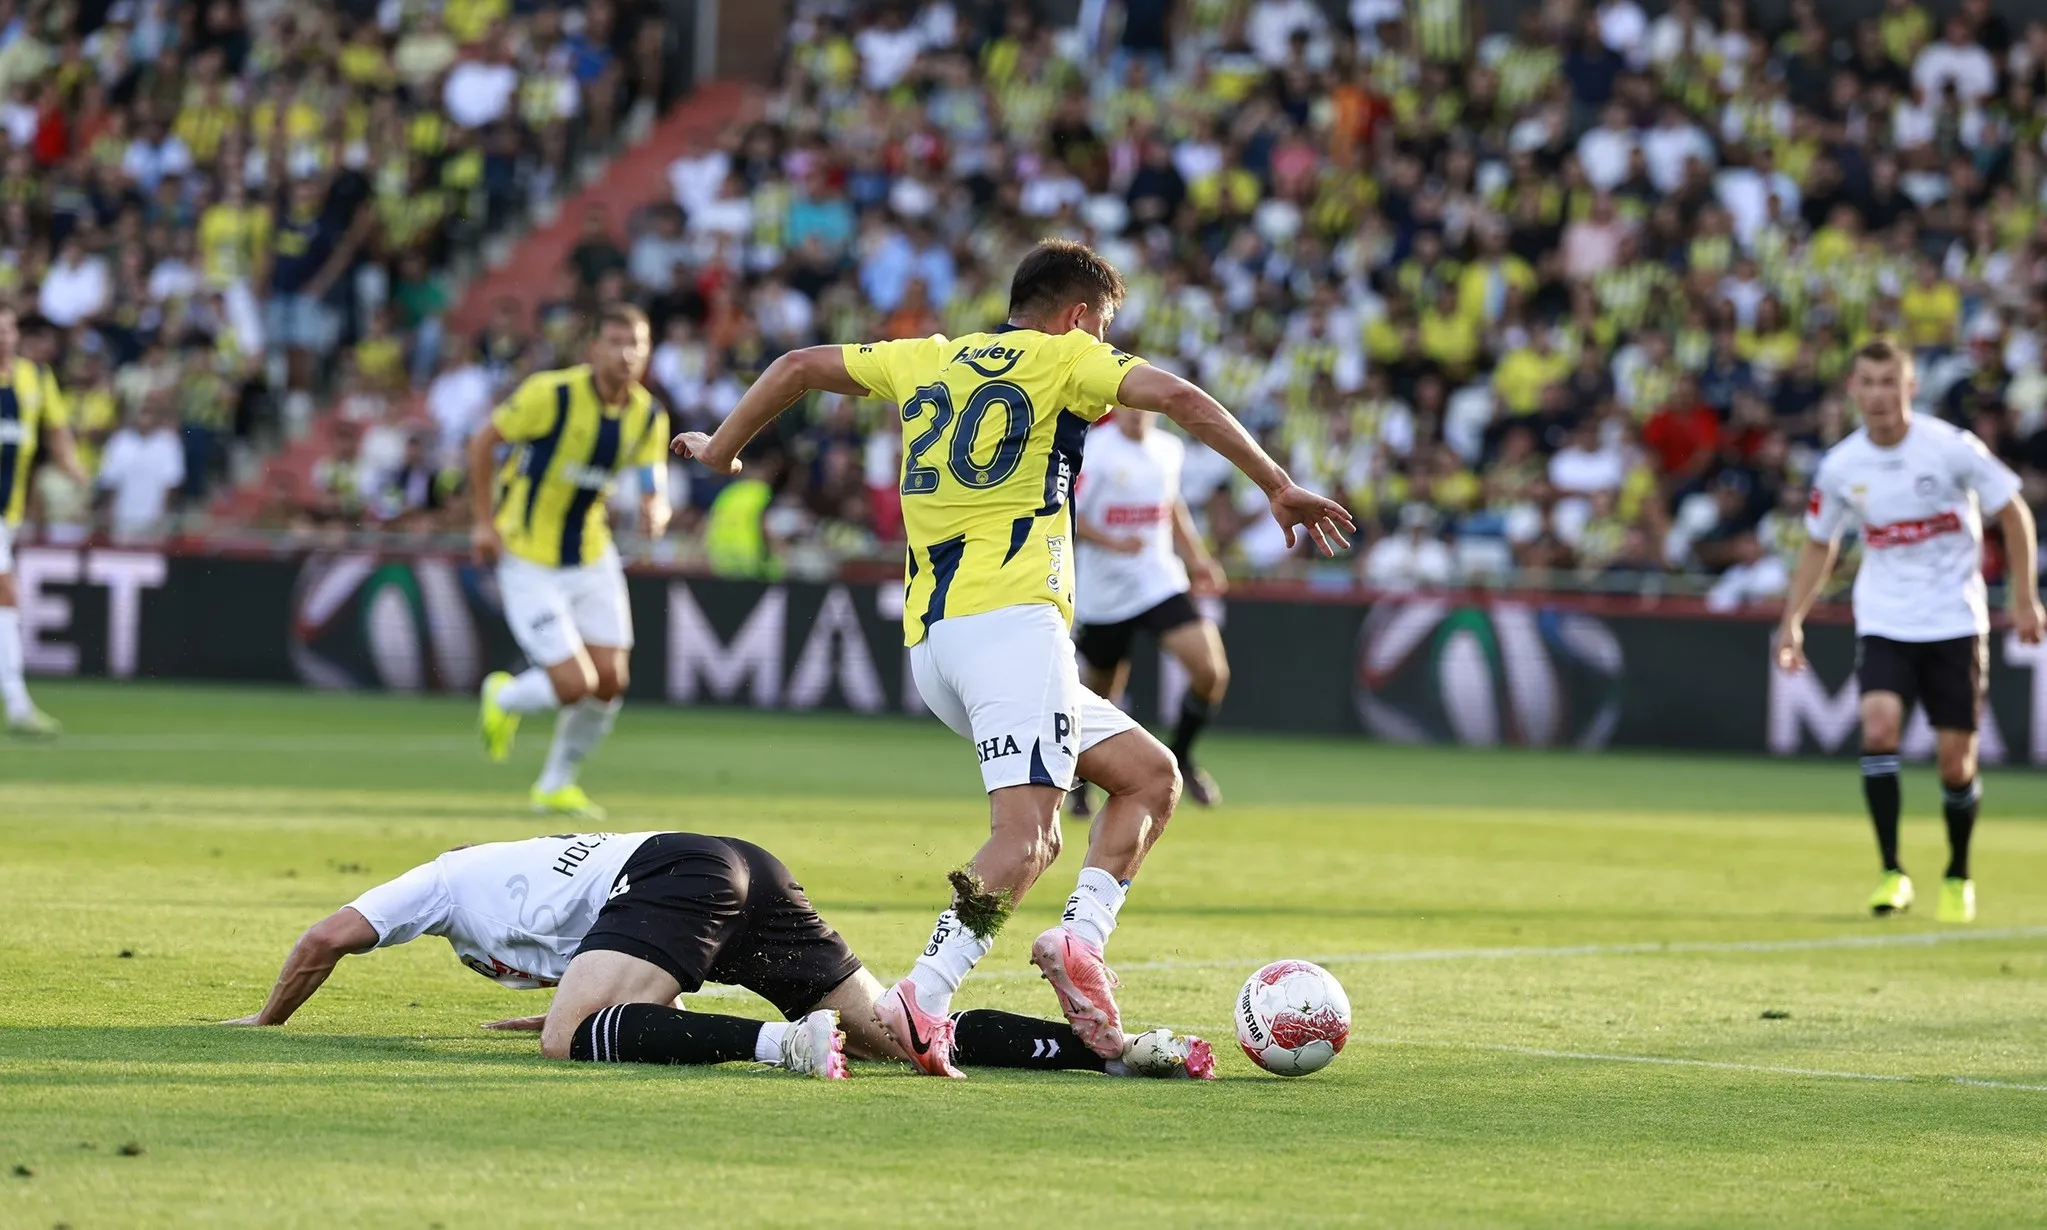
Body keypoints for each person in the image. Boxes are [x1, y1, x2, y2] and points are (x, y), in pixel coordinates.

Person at [671, 239, 1352, 1077]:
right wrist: (1276, 482)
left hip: (939, 643)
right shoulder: (1068, 358)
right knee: (1028, 840)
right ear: (1077, 316)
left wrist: (720, 449)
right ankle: (921, 998)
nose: (1103, 342)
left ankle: (1077, 943)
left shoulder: (924, 357)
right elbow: (1176, 396)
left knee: (1149, 775)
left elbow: (800, 365)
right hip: (1012, 630)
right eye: (1102, 326)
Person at [223, 830, 1215, 1081]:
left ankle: (780, 1049)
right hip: (737, 863)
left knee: (570, 1043)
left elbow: (325, 938)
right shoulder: (511, 878)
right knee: (901, 1039)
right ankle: (1114, 1052)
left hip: (677, 880)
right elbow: (609, 967)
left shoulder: (436, 882)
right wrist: (584, 997)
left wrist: (263, 1023)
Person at [1775, 337, 2044, 923]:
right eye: (1866, 383)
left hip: (1954, 620)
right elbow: (1821, 543)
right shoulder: (1843, 465)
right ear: (1852, 389)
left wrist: (2024, 598)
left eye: (1887, 382)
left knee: (1955, 763)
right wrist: (1791, 620)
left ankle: (1958, 872)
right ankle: (1892, 872)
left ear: (1909, 388)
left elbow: (2013, 511)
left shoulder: (1951, 448)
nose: (1877, 395)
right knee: (1878, 729)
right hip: (1885, 619)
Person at [467, 305, 671, 819]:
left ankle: (556, 784)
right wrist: (483, 522)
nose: (626, 354)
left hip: (590, 554)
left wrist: (656, 511)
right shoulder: (550, 394)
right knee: (574, 683)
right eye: (615, 341)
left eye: (637, 344)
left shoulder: (648, 414)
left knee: (611, 681)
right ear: (593, 348)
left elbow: (653, 482)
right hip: (528, 555)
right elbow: (483, 441)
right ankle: (506, 697)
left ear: (647, 353)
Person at [1068, 408, 1231, 814]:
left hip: (1158, 579)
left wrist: (1197, 558)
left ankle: (1180, 757)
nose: (1136, 414)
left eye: (1145, 407)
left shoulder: (1168, 449)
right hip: (1105, 592)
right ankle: (1081, 783)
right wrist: (1112, 542)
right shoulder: (1095, 451)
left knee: (1212, 673)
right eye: (1129, 405)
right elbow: (1068, 512)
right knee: (1102, 697)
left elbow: (1171, 504)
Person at [0, 307, 85, 738]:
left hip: (8, 512)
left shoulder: (35, 379)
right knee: (6, 596)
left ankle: (16, 702)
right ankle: (16, 703)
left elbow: (56, 430)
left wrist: (74, 467)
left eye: (8, 328)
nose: (3, 336)